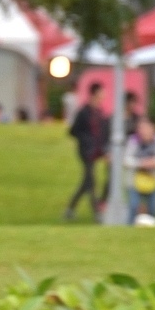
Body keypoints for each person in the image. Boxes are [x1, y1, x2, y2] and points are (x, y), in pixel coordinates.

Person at [64, 82, 110, 221]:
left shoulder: (100, 112)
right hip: (86, 151)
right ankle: (97, 213)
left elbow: (103, 133)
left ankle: (70, 209)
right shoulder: (84, 112)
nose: (104, 95)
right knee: (91, 181)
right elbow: (73, 131)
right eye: (102, 92)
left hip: (98, 150)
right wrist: (86, 139)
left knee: (87, 182)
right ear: (95, 93)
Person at [123, 117, 155, 225]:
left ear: (153, 128)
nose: (144, 130)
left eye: (146, 127)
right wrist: (142, 163)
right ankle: (129, 228)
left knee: (153, 208)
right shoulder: (134, 141)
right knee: (133, 205)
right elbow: (126, 160)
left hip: (153, 180)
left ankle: (151, 229)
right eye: (141, 128)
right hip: (134, 181)